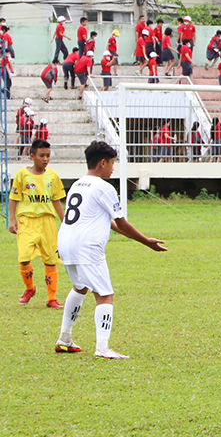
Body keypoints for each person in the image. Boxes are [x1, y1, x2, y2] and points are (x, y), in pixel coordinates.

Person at [53, 141, 166, 358]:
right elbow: (121, 222)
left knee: (80, 287)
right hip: (87, 247)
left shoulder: (78, 184)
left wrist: (137, 239)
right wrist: (146, 242)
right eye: (113, 163)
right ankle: (103, 348)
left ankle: (64, 339)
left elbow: (110, 223)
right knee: (105, 295)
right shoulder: (104, 187)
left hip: (66, 242)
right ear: (103, 162)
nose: (113, 168)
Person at [8, 139, 66, 308]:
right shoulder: (22, 175)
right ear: (32, 156)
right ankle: (30, 288)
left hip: (47, 221)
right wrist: (13, 220)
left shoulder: (52, 176)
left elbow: (56, 200)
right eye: (42, 155)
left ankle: (51, 298)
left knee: (50, 259)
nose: (45, 159)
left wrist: (65, 222)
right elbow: (13, 198)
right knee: (24, 257)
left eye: (48, 155)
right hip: (27, 221)